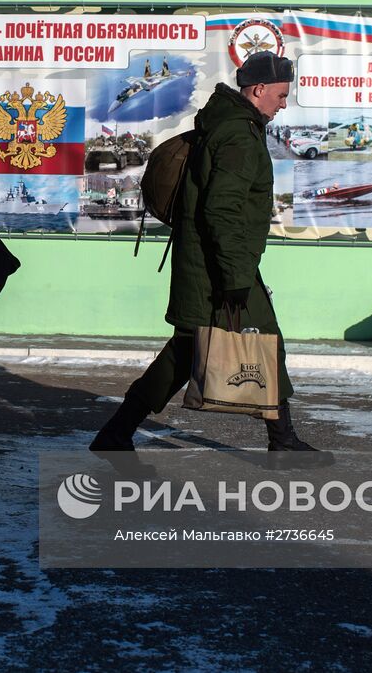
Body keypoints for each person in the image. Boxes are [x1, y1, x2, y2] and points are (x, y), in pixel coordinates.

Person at [91, 52, 323, 453]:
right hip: (219, 267)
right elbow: (222, 209)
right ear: (259, 90)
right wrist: (235, 278)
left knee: (187, 351)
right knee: (262, 340)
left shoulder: (228, 125)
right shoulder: (237, 135)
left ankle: (116, 432)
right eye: (281, 95)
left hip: (211, 261)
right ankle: (282, 440)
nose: (284, 103)